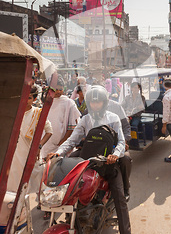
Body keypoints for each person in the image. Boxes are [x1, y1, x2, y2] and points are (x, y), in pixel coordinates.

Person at [46, 86, 131, 234]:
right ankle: (70, 217)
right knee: (69, 181)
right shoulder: (85, 119)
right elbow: (72, 141)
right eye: (92, 102)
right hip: (88, 161)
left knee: (120, 199)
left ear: (104, 103)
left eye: (98, 102)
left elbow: (121, 143)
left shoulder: (113, 118)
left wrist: (115, 155)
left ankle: (126, 231)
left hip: (107, 163)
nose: (95, 105)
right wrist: (58, 153)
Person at [8, 85, 53, 193]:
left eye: (29, 98)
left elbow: (49, 131)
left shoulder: (38, 113)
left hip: (30, 152)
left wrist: (39, 146)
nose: (25, 100)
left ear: (34, 99)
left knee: (32, 182)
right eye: (23, 97)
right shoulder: (14, 112)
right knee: (13, 180)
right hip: (15, 154)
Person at [40, 78, 81, 159]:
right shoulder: (47, 102)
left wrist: (61, 144)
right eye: (56, 89)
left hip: (61, 146)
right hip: (46, 144)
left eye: (60, 89)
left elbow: (72, 127)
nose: (58, 92)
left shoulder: (69, 103)